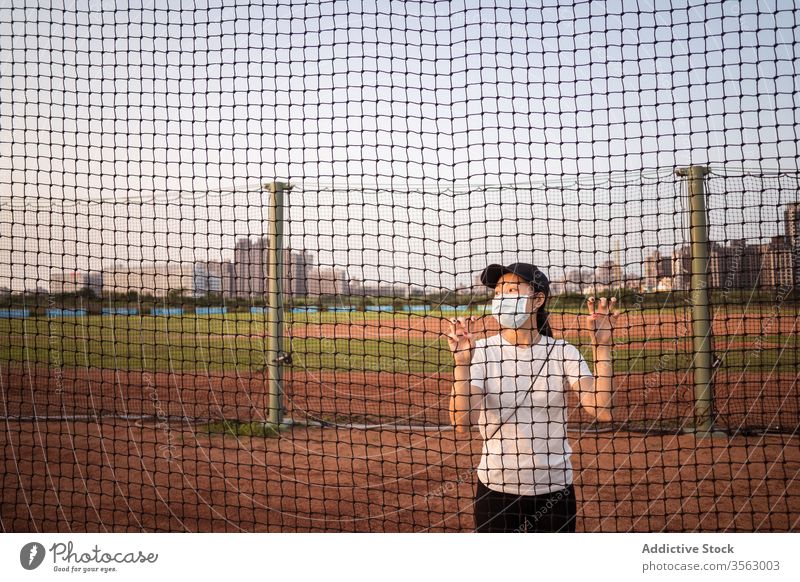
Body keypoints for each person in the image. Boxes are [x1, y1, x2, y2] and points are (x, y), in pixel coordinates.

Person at [446, 262, 619, 533]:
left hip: (554, 492)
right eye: (499, 292)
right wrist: (462, 365)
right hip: (496, 491)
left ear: (538, 299)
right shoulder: (480, 351)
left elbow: (601, 410)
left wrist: (603, 348)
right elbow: (461, 422)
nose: (502, 298)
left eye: (512, 289)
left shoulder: (563, 352)